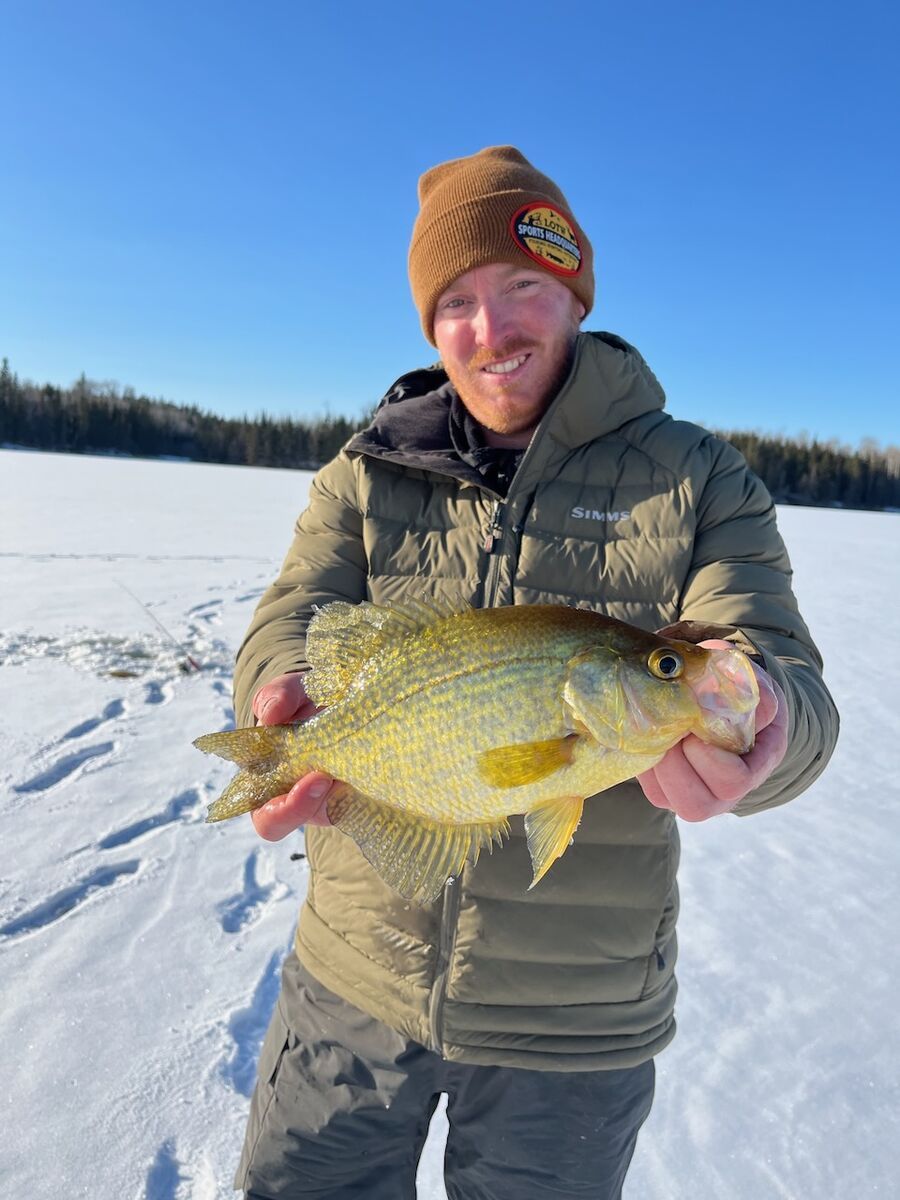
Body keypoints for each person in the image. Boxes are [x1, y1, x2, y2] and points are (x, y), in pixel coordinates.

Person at [229, 146, 838, 1198]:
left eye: (521, 287)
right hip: (352, 978)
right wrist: (278, 693)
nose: (491, 330)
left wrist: (769, 717)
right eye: (455, 301)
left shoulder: (696, 479)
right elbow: (294, 614)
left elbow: (776, 669)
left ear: (572, 290)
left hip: (577, 1027)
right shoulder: (363, 473)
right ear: (430, 324)